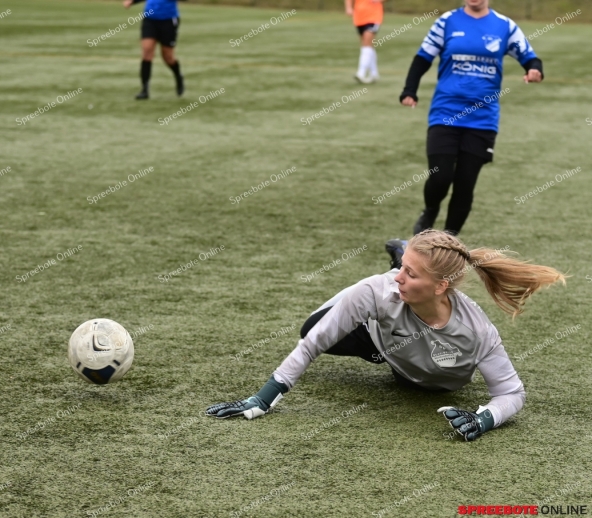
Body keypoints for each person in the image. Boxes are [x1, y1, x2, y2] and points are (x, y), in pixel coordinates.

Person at [206, 230, 565, 442]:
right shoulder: (378, 290)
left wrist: (484, 418)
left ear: (442, 285)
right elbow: (313, 342)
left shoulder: (476, 329)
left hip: (423, 379)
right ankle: (402, 257)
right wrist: (263, 397)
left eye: (410, 272)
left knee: (410, 369)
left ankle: (402, 254)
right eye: (402, 269)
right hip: (382, 343)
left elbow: (511, 392)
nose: (398, 280)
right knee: (312, 327)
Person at [400, 0, 543, 236]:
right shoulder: (446, 22)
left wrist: (534, 70)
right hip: (445, 112)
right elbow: (423, 57)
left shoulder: (505, 26)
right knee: (440, 175)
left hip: (482, 119)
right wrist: (409, 90)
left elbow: (529, 57)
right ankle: (430, 210)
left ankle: (448, 240)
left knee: (465, 183)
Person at [123, 0, 184, 100]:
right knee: (147, 51)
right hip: (150, 19)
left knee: (168, 57)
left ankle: (178, 75)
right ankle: (144, 90)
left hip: (168, 20)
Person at [345, 0, 383, 83]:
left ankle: (361, 73)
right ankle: (374, 73)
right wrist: (348, 7)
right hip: (359, 17)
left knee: (366, 44)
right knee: (368, 45)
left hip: (373, 17)